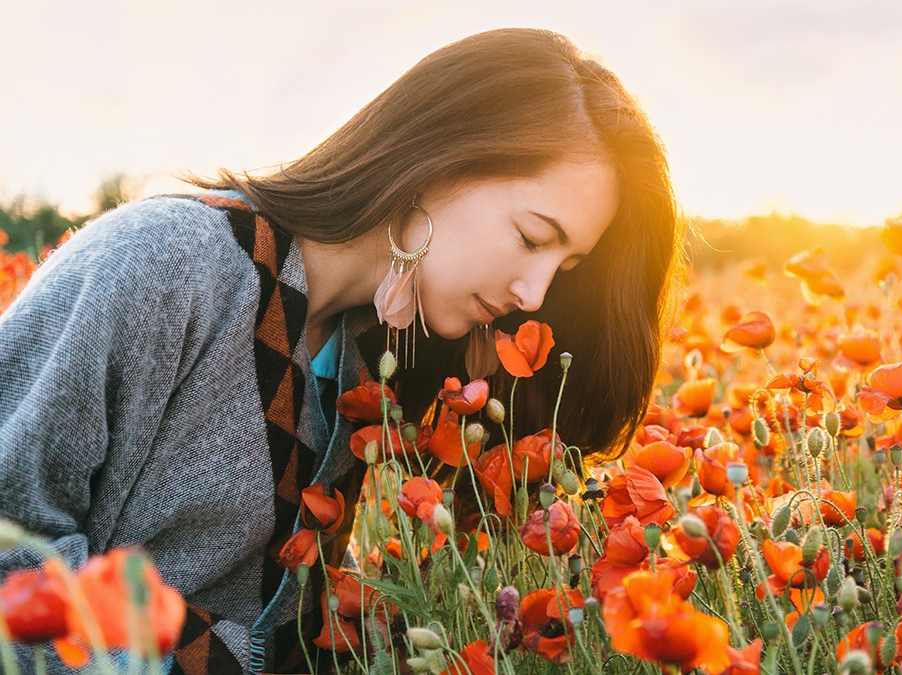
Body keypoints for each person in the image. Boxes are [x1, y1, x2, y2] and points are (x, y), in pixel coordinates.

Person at [0, 28, 682, 674]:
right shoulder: (166, 263)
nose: (534, 293)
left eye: (564, 269)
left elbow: (280, 615)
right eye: (534, 237)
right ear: (437, 162)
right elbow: (9, 548)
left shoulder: (372, 350)